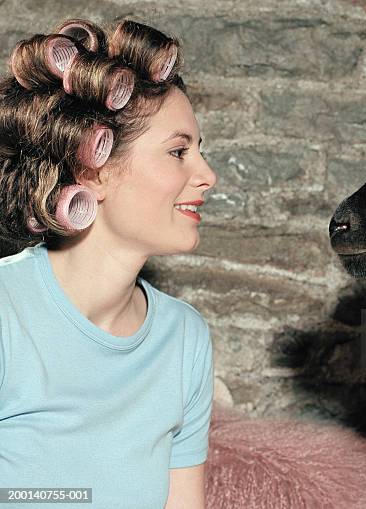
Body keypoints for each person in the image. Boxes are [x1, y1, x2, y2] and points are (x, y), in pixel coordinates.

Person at [0, 17, 217, 509]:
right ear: (89, 169)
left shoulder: (184, 338)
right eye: (178, 151)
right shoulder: (6, 313)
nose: (207, 175)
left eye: (200, 152)